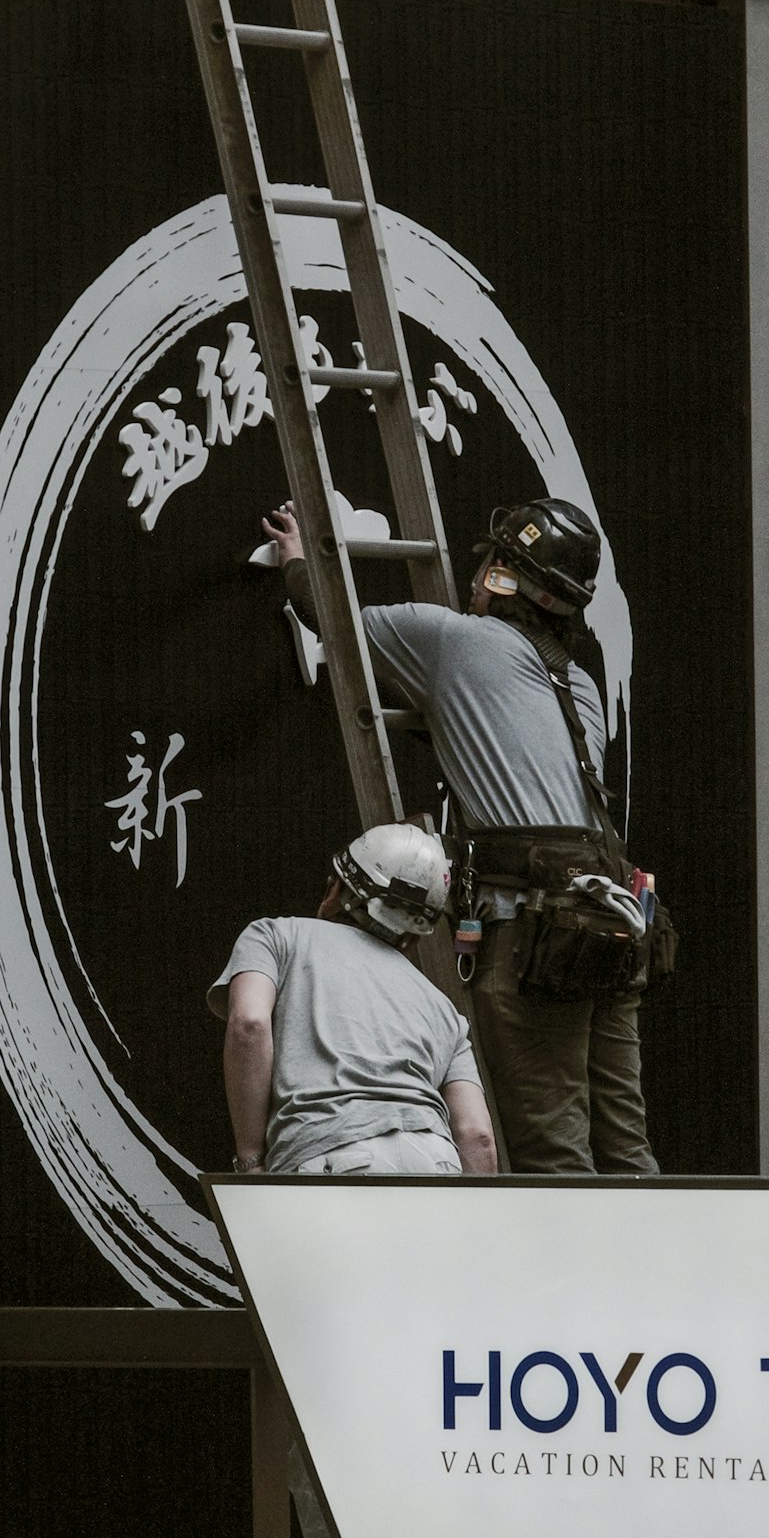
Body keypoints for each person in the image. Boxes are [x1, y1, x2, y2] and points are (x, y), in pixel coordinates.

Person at [260, 497, 659, 1179]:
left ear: (506, 577)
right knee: (625, 1146)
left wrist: (297, 560)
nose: (478, 577)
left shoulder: (457, 642)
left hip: (540, 937)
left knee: (551, 1153)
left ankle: (576, 1286)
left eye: (492, 564)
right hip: (615, 927)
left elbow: (335, 620)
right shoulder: (581, 685)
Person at [209, 823, 496, 1538]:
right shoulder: (439, 1005)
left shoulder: (277, 936)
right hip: (434, 1181)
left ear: (340, 884)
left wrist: (254, 1160)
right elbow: (477, 1137)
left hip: (338, 1179)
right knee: (413, 1411)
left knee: (328, 1409)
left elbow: (250, 1025)